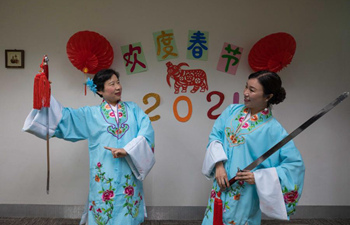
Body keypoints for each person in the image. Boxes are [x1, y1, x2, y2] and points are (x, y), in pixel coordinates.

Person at [23, 69, 155, 225]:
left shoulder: (133, 109)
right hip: (105, 169)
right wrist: (47, 96)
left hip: (129, 169)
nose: (118, 87)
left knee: (127, 210)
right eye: (112, 84)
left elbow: (147, 131)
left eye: (118, 82)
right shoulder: (91, 114)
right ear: (100, 90)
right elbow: (66, 118)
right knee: (104, 207)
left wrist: (128, 150)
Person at [201, 70, 305, 225]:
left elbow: (294, 166)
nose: (245, 93)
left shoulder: (274, 130)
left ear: (268, 97)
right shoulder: (231, 111)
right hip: (221, 183)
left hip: (245, 192)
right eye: (246, 87)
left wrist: (259, 177)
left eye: (252, 90)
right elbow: (215, 137)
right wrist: (218, 165)